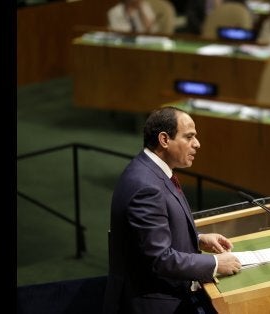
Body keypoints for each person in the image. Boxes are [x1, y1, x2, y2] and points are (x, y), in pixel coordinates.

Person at [103, 107, 242, 314]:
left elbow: (150, 236)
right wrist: (214, 263)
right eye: (189, 137)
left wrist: (198, 239)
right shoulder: (146, 186)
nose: (197, 144)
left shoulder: (150, 170)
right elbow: (160, 258)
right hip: (154, 304)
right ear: (164, 140)